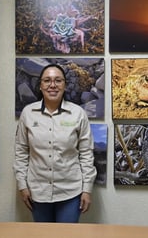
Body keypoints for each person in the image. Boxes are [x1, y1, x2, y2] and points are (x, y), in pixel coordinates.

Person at [13, 63, 97, 223]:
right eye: (47, 80)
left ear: (65, 85)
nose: (53, 85)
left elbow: (86, 154)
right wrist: (22, 185)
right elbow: (21, 152)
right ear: (40, 85)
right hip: (37, 192)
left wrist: (87, 189)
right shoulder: (28, 113)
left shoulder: (78, 114)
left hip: (71, 192)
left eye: (58, 80)